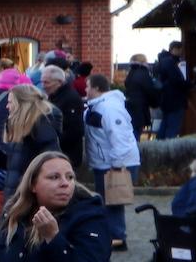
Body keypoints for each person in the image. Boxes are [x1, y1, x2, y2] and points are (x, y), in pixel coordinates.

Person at [81, 74, 141, 248]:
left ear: (97, 88)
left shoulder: (109, 108)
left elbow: (119, 136)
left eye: (87, 86)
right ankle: (112, 234)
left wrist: (116, 164)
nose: (85, 90)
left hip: (112, 162)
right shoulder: (97, 107)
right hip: (105, 161)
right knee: (107, 199)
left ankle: (117, 237)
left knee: (112, 200)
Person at [0, 83, 60, 191]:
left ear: (22, 104)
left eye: (10, 102)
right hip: (18, 196)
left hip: (27, 198)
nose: (7, 106)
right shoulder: (23, 129)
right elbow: (14, 165)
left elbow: (50, 166)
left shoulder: (40, 129)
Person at [41, 64, 85, 170]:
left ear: (59, 82)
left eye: (46, 82)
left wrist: (52, 143)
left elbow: (74, 130)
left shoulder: (71, 99)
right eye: (42, 81)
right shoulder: (53, 96)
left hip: (67, 155)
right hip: (55, 153)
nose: (43, 85)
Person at [121, 54, 159, 144]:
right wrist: (156, 102)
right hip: (140, 107)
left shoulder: (131, 73)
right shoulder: (144, 73)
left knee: (131, 132)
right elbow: (150, 90)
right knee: (136, 133)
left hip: (130, 106)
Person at [156, 42, 190, 139]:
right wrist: (189, 84)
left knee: (165, 125)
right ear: (175, 49)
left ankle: (158, 148)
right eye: (180, 49)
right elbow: (176, 80)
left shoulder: (163, 61)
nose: (181, 52)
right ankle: (169, 151)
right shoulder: (171, 62)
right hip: (175, 99)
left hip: (166, 99)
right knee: (172, 128)